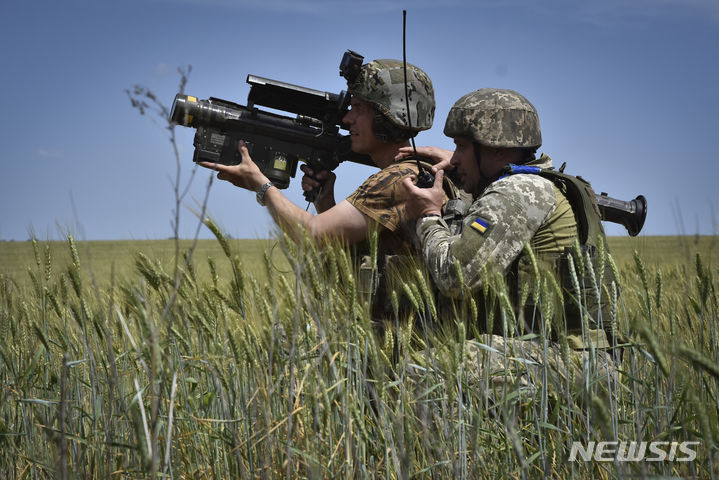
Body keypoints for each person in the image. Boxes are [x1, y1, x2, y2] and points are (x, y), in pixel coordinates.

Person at [401, 88, 619, 392]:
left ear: (497, 149)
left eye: (462, 147)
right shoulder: (536, 183)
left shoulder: (516, 192)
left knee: (418, 371)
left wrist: (427, 214)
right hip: (571, 356)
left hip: (566, 361)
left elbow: (455, 276)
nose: (454, 157)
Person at [198, 58, 441, 258]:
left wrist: (261, 186)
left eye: (358, 109)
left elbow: (314, 237)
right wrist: (324, 203)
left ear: (386, 119)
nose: (347, 119)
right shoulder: (410, 175)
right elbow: (345, 252)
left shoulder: (398, 181)